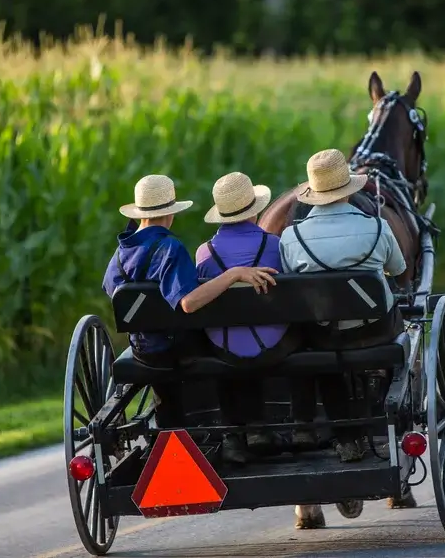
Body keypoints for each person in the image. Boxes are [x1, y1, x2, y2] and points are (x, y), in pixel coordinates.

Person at [102, 174, 278, 431]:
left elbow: (111, 289)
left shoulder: (120, 253)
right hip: (175, 348)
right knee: (216, 338)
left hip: (143, 348)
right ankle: (232, 429)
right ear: (170, 213)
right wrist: (233, 274)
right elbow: (188, 302)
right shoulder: (169, 248)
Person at [279, 149, 407, 463]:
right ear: (350, 189)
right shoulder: (377, 227)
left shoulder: (292, 237)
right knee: (402, 323)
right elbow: (399, 270)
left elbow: (289, 284)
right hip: (375, 331)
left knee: (320, 348)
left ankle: (346, 439)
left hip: (325, 335)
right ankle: (381, 407)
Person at [195, 171, 302, 464]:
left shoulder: (205, 253)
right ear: (254, 210)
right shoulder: (275, 245)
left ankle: (234, 436)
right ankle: (297, 423)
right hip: (274, 346)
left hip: (224, 346)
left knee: (226, 343)